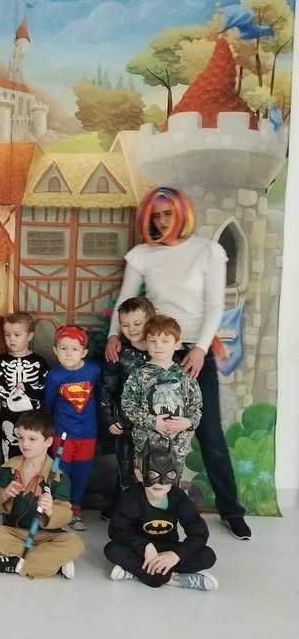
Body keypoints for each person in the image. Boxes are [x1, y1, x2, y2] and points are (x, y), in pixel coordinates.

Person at [106, 186, 250, 539]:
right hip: (152, 350)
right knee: (142, 432)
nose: (161, 221)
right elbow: (126, 299)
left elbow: (215, 305)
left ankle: (231, 510)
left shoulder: (207, 251)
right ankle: (134, 507)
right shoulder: (143, 254)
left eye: (167, 213)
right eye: (155, 215)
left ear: (182, 213)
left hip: (193, 352)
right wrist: (113, 335)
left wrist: (199, 348)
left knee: (209, 431)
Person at [0, 410, 85, 579]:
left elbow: (67, 514)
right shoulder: (9, 468)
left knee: (75, 543)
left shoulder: (59, 476)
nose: (25, 444)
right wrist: (4, 494)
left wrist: (50, 509)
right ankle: (52, 564)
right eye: (21, 437)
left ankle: (14, 563)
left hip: (47, 537)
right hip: (14, 532)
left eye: (32, 439)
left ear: (48, 442)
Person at [104, 448, 217, 590]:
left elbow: (199, 533)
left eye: (169, 474)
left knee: (208, 555)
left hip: (168, 548)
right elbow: (117, 530)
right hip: (140, 550)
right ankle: (175, 579)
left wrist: (176, 555)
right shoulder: (131, 498)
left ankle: (138, 573)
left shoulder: (178, 497)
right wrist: (144, 546)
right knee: (112, 549)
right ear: (139, 475)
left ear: (176, 475)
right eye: (152, 474)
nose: (160, 483)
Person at [121, 315, 202, 476]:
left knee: (171, 480)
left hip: (177, 444)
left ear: (177, 344)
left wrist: (188, 422)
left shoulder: (185, 375)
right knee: (147, 479)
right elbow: (127, 404)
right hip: (146, 442)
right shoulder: (139, 374)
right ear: (146, 343)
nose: (158, 345)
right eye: (153, 341)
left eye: (165, 341)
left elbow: (196, 406)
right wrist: (151, 421)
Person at [97, 296, 154, 519]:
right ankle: (124, 518)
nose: (131, 329)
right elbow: (106, 390)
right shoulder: (118, 354)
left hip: (154, 428)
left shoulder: (161, 351)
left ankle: (149, 514)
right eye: (125, 325)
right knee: (126, 470)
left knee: (151, 470)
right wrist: (109, 419)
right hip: (126, 427)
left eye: (137, 323)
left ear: (150, 320)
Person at [44, 325, 100, 531]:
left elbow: (101, 398)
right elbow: (48, 405)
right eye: (64, 348)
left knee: (82, 473)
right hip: (62, 435)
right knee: (60, 472)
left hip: (88, 434)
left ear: (84, 352)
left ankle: (76, 509)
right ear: (55, 350)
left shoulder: (94, 371)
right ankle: (60, 508)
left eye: (75, 349)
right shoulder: (54, 376)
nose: (69, 353)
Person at [0, 312, 48, 461]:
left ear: (30, 336)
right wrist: (11, 394)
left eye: (17, 335)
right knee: (8, 454)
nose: (11, 339)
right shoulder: (0, 362)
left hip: (34, 415)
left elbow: (45, 388)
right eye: (7, 335)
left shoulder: (39, 362)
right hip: (9, 415)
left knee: (35, 453)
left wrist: (28, 389)